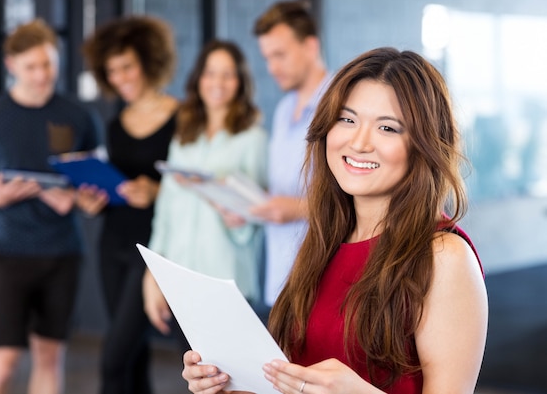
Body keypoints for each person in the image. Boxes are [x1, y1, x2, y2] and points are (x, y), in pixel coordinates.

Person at [180, 47, 488, 394]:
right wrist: (232, 383)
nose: (358, 142)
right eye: (347, 119)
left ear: (424, 145)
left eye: (387, 128)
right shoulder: (325, 240)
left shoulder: (444, 256)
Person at [0, 18, 101, 394]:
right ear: (12, 65)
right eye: (31, 66)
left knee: (50, 360)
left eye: (48, 64)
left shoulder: (80, 117)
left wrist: (79, 199)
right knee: (2, 365)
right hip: (8, 256)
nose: (41, 75)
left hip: (62, 255)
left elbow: (95, 194)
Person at [142, 39, 268, 348]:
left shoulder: (253, 139)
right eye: (211, 73)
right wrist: (153, 275)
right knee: (197, 376)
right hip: (182, 277)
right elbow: (166, 212)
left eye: (228, 74)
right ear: (199, 79)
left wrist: (227, 206)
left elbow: (257, 219)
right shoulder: (184, 138)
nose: (218, 83)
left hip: (226, 279)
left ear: (240, 82)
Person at [80, 15, 178, 394]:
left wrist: (156, 192)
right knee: (134, 357)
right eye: (112, 71)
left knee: (113, 359)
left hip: (153, 249)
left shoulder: (181, 117)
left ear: (149, 62)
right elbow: (115, 185)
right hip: (112, 244)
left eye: (127, 67)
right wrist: (95, 202)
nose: (119, 78)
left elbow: (187, 187)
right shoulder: (115, 123)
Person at [250, 0, 332, 307]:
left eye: (280, 55)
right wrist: (251, 205)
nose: (272, 67)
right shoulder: (284, 109)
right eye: (267, 58)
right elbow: (284, 189)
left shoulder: (340, 105)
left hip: (322, 278)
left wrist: (298, 209)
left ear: (310, 47)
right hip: (281, 277)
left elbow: (362, 196)